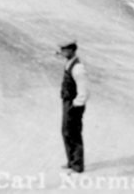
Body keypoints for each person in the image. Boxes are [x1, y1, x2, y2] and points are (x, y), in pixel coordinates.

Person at [58, 39, 88, 173]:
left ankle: (77, 165)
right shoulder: (70, 63)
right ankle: (71, 161)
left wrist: (76, 105)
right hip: (68, 101)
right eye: (62, 49)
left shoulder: (78, 67)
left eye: (65, 49)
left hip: (74, 103)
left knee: (73, 133)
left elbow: (83, 90)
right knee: (66, 132)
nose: (63, 52)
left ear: (72, 50)